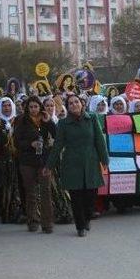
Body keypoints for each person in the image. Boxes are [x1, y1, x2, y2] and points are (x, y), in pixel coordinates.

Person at [46, 94, 109, 237]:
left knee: (91, 196)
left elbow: (99, 140)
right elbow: (57, 146)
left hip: (91, 162)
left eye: (76, 102)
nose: (74, 104)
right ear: (67, 107)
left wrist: (104, 160)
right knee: (76, 197)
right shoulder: (63, 124)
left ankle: (87, 218)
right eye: (70, 103)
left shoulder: (92, 118)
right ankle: (80, 226)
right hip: (72, 164)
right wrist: (49, 166)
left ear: (81, 104)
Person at [13, 96, 57, 233]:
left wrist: (49, 121)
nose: (33, 109)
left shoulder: (45, 119)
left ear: (40, 107)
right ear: (27, 108)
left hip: (44, 160)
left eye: (36, 106)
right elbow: (16, 142)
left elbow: (56, 134)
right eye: (31, 107)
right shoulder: (21, 120)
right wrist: (30, 144)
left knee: (46, 191)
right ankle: (32, 221)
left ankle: (47, 223)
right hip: (27, 161)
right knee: (30, 192)